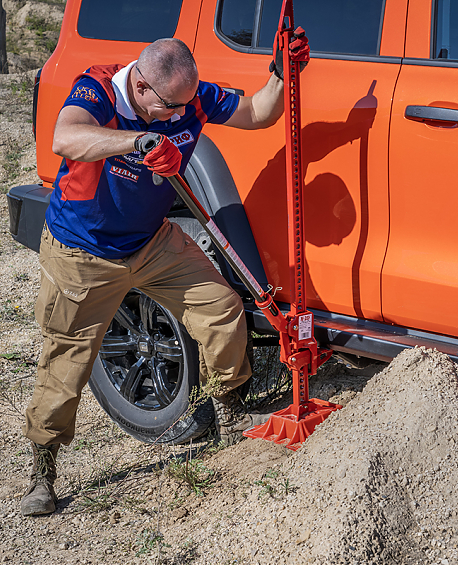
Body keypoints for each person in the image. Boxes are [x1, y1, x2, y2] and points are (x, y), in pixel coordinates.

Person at [20, 31, 310, 517]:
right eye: (170, 107)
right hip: (83, 252)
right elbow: (65, 136)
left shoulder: (189, 99)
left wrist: (282, 74)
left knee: (220, 307)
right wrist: (139, 140)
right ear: (141, 86)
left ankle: (228, 406)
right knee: (65, 363)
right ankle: (42, 471)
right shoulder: (98, 90)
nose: (181, 114)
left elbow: (258, 113)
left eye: (185, 105)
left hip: (151, 242)